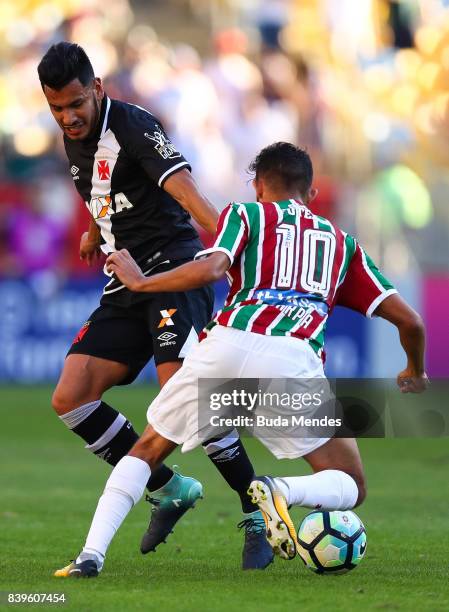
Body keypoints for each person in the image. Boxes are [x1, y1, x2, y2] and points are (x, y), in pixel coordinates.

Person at [55, 141, 427, 577]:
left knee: (149, 448)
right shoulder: (342, 245)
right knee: (351, 482)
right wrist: (414, 370)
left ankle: (90, 556)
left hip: (226, 344)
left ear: (258, 187)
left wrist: (140, 284)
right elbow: (412, 322)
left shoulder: (244, 215)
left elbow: (213, 268)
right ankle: (277, 489)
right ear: (310, 194)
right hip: (291, 359)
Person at [38, 41, 273, 571]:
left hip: (172, 273)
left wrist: (233, 249)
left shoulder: (134, 127)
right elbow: (115, 198)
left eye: (76, 103)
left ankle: (257, 511)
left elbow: (186, 194)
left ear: (97, 88)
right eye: (57, 108)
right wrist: (97, 234)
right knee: (71, 397)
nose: (68, 117)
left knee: (184, 400)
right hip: (127, 280)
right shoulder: (73, 140)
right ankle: (168, 488)